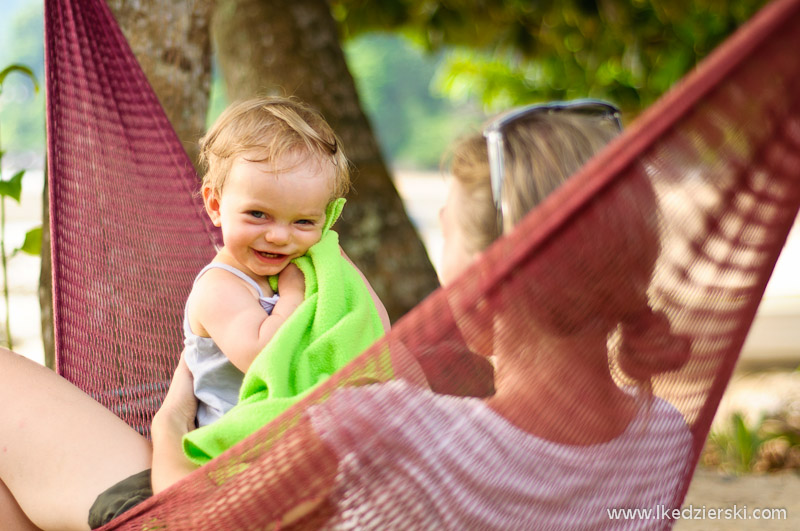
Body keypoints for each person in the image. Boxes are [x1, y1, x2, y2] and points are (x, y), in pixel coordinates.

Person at [0, 101, 692, 530]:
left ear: (489, 283)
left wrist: (170, 421)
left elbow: (189, 519)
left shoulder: (382, 427)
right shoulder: (664, 440)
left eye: (445, 235)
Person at [182, 96, 384, 429]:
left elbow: (373, 327)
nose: (278, 236)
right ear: (215, 205)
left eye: (303, 222)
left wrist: (338, 263)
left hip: (306, 430)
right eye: (258, 214)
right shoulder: (219, 287)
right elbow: (263, 356)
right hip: (243, 448)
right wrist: (292, 295)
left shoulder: (311, 265)